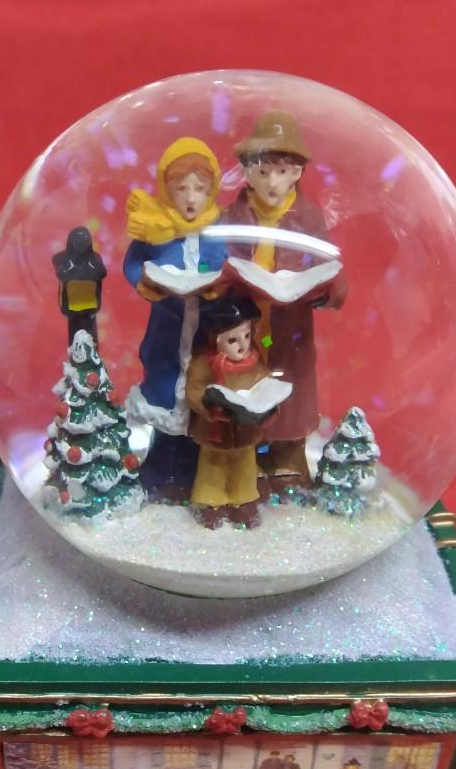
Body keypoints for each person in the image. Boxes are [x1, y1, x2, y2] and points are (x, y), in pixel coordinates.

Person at [223, 111, 346, 490]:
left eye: (281, 171)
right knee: (244, 383)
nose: (272, 182)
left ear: (297, 173)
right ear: (247, 173)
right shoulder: (233, 216)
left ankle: (287, 460)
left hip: (289, 323)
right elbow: (214, 257)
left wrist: (327, 286)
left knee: (291, 387)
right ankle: (244, 458)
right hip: (243, 322)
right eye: (262, 171)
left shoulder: (306, 218)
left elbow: (329, 263)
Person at [124, 137, 226, 497]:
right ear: (166, 189)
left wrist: (217, 285)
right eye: (181, 188)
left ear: (211, 191)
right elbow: (133, 264)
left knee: (199, 397)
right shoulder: (154, 229)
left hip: (205, 333)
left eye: (199, 188)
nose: (191, 198)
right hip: (167, 330)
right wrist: (147, 281)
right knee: (165, 392)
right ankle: (162, 468)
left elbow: (228, 264)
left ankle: (196, 468)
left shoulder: (217, 233)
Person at [185, 295, 276, 529]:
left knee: (244, 466)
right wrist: (210, 403)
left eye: (247, 336)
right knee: (212, 467)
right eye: (233, 340)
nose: (242, 345)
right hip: (214, 429)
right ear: (215, 340)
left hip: (244, 429)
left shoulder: (254, 360)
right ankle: (212, 502)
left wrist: (267, 404)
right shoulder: (204, 362)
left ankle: (242, 501)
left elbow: (266, 382)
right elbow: (194, 390)